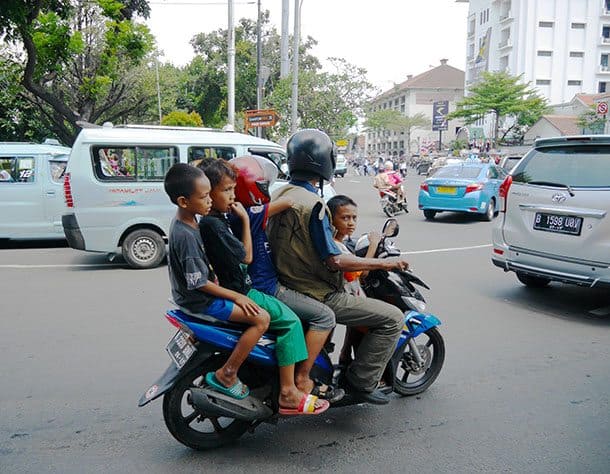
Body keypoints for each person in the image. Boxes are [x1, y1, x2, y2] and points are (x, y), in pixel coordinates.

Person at [266, 129, 409, 405]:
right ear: (324, 162)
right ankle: (361, 381)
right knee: (392, 318)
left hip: (286, 282)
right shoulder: (316, 206)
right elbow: (335, 260)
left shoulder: (282, 192)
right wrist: (384, 262)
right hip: (317, 292)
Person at [197, 158, 329, 415]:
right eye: (226, 190)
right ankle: (289, 390)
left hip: (240, 285)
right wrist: (246, 220)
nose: (232, 195)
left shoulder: (221, 218)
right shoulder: (228, 220)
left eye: (234, 189)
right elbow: (246, 256)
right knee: (290, 322)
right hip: (245, 290)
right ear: (208, 191)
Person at [228, 155, 343, 403]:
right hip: (266, 287)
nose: (264, 189)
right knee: (325, 316)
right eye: (261, 185)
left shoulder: (235, 212)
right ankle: (299, 381)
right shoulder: (247, 213)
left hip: (262, 282)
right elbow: (288, 202)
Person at [163, 163, 268, 402]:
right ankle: (228, 373)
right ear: (183, 201)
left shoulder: (186, 221)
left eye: (210, 193)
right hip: (201, 301)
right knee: (261, 319)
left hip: (190, 296)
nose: (209, 200)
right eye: (203, 196)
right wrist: (237, 296)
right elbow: (199, 283)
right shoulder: (187, 235)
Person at [327, 194, 381, 367]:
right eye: (345, 218)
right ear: (331, 219)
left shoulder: (337, 242)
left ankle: (345, 354)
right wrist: (374, 244)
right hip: (341, 298)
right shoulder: (336, 246)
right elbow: (363, 272)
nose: (351, 223)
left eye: (354, 218)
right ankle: (364, 371)